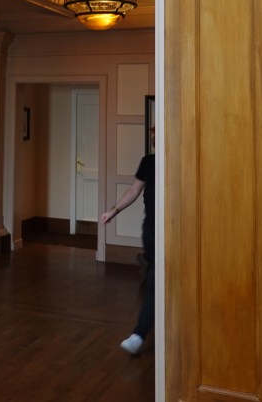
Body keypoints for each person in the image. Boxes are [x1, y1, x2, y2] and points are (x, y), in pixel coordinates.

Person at [99, 129, 155, 356]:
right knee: (156, 283)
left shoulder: (181, 159)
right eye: (154, 137)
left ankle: (140, 334)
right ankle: (140, 334)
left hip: (174, 230)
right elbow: (134, 190)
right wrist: (114, 210)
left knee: (157, 283)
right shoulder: (148, 162)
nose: (156, 139)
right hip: (152, 231)